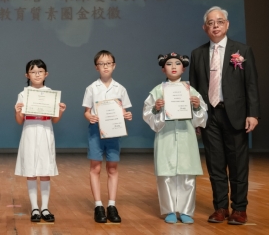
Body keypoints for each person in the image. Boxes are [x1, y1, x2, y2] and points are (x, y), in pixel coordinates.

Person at [189, 6, 260, 225]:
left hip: (235, 115)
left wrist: (253, 114)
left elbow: (251, 84)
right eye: (210, 23)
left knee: (238, 164)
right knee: (215, 164)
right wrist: (195, 118)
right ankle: (220, 207)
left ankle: (239, 208)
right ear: (204, 28)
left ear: (227, 25)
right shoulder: (198, 54)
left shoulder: (242, 51)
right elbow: (194, 90)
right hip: (209, 115)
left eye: (219, 22)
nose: (215, 26)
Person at [142, 53, 207, 224]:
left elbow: (202, 118)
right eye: (169, 64)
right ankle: (169, 210)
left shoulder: (191, 91)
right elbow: (147, 114)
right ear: (163, 69)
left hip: (186, 137)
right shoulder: (157, 91)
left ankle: (186, 211)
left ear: (183, 68)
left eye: (177, 63)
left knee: (187, 175)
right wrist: (156, 109)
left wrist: (197, 106)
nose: (173, 67)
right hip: (166, 137)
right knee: (166, 175)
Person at [82, 50, 132, 223]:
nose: (105, 66)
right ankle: (98, 205)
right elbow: (86, 112)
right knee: (95, 167)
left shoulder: (120, 88)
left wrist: (127, 115)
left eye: (108, 63)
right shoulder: (91, 88)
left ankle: (111, 205)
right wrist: (90, 117)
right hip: (96, 131)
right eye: (101, 64)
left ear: (114, 65)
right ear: (96, 67)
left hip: (114, 132)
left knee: (112, 168)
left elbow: (124, 110)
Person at [14, 59, 66, 222]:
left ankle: (45, 207)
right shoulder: (23, 94)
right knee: (30, 171)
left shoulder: (51, 93)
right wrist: (18, 111)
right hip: (29, 131)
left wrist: (60, 111)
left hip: (45, 131)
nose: (37, 75)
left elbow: (55, 120)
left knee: (45, 171)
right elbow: (19, 121)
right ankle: (34, 208)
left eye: (40, 71)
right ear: (27, 75)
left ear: (46, 74)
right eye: (33, 72)